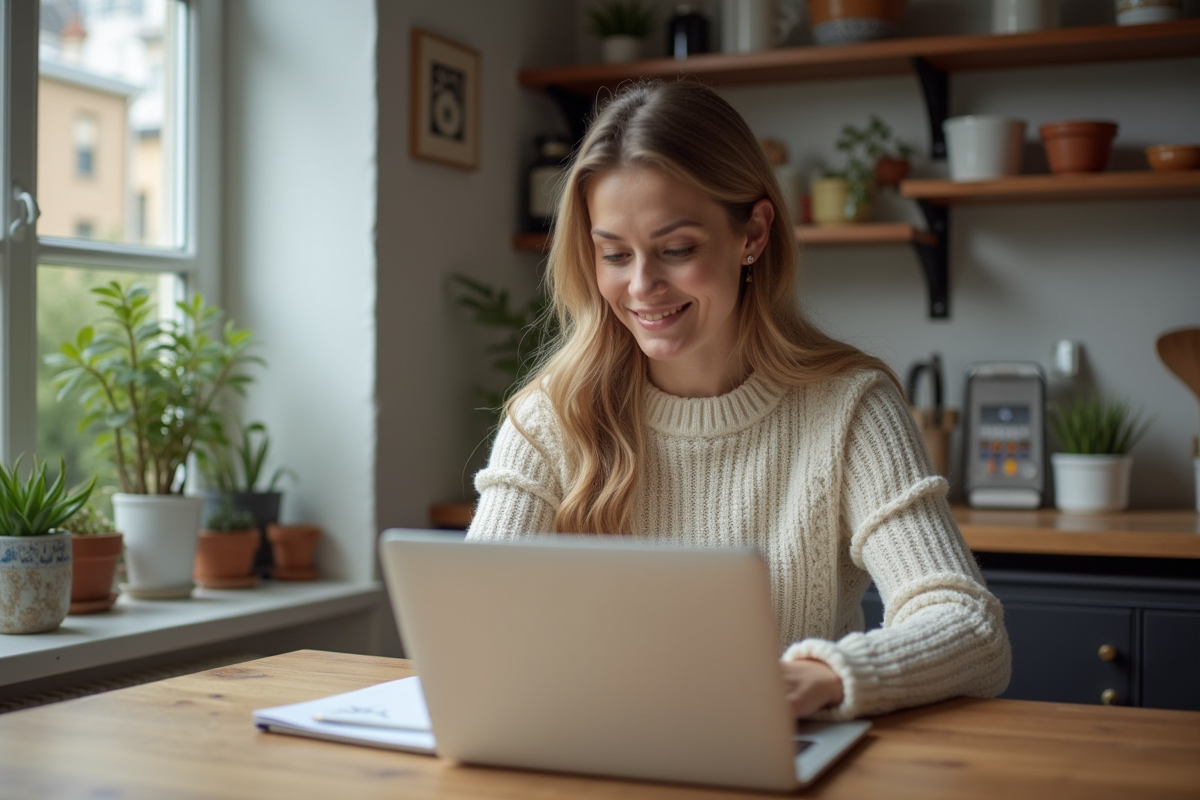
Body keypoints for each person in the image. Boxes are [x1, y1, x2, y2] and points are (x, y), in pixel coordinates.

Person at [467, 80, 1010, 721]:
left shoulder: (850, 410)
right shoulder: (550, 417)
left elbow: (970, 627)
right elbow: (473, 627)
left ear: (752, 232)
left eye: (677, 249)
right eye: (614, 254)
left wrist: (828, 674)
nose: (641, 286)